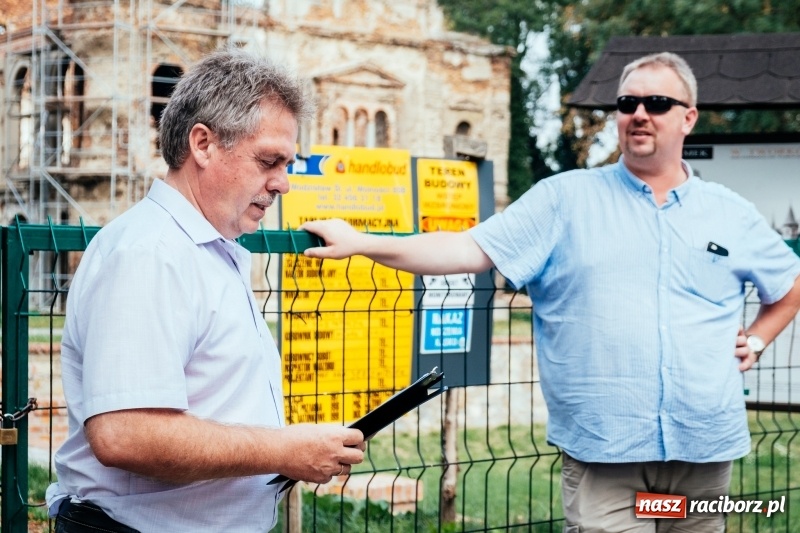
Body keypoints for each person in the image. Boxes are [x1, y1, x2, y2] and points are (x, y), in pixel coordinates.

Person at [301, 52, 800, 532]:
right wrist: (364, 243)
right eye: (627, 103)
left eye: (657, 103)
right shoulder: (565, 200)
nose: (639, 114)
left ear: (688, 117)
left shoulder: (730, 212)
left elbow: (790, 284)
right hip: (605, 453)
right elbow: (465, 248)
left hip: (703, 448)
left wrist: (757, 340)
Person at [46, 49, 365, 533]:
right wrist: (284, 450)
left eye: (287, 164)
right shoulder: (150, 254)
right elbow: (126, 434)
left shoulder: (206, 248)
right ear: (203, 144)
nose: (283, 183)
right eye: (268, 161)